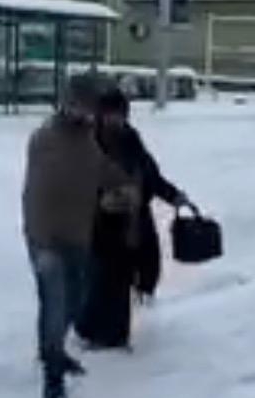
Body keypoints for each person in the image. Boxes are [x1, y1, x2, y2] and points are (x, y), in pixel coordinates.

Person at [22, 74, 130, 398]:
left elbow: (99, 170)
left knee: (75, 301)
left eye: (91, 107)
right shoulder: (45, 139)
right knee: (54, 303)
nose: (88, 113)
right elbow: (46, 187)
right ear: (67, 104)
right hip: (46, 237)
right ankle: (52, 375)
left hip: (78, 236)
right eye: (82, 105)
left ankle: (52, 350)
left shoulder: (87, 141)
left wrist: (120, 188)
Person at [78, 85, 187, 351]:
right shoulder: (88, 143)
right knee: (103, 280)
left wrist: (173, 196)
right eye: (109, 114)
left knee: (121, 278)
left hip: (132, 221)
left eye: (119, 114)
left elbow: (150, 175)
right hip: (100, 223)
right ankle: (98, 334)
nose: (115, 119)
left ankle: (111, 335)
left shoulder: (131, 140)